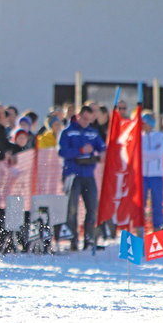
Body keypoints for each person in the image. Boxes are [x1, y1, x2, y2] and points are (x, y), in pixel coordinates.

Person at [58, 105, 106, 251]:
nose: (86, 122)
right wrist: (80, 151)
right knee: (72, 209)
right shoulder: (68, 132)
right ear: (78, 116)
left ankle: (89, 239)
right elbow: (63, 152)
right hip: (72, 174)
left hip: (88, 174)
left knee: (92, 208)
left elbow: (102, 147)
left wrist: (103, 153)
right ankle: (73, 240)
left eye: (89, 119)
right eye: (84, 118)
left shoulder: (93, 132)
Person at [140, 113, 163, 231]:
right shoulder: (139, 137)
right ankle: (140, 227)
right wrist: (151, 154)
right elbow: (139, 154)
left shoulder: (160, 136)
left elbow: (159, 153)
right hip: (142, 175)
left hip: (157, 175)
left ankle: (157, 227)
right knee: (141, 203)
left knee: (157, 203)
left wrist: (146, 154)